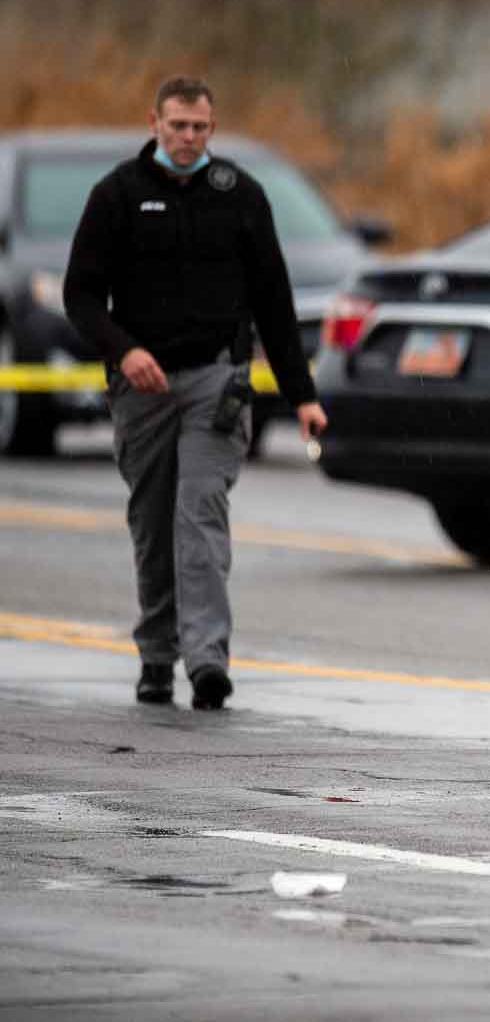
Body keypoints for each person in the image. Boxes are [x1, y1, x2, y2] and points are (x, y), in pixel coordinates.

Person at [63, 77, 328, 710]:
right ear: (153, 122)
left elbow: (274, 302)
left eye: (200, 128)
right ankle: (158, 654)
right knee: (154, 526)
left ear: (213, 127)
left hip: (217, 381)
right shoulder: (117, 195)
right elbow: (79, 295)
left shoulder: (239, 196)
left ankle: (207, 661)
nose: (188, 139)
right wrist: (123, 350)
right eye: (178, 126)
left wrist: (303, 395)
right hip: (142, 386)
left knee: (200, 516)